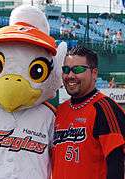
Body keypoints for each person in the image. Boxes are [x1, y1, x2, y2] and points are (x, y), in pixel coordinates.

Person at [52, 45, 125, 179]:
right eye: (66, 69)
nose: (70, 75)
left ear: (94, 73)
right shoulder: (60, 111)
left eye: (78, 69)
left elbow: (117, 162)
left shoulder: (104, 108)